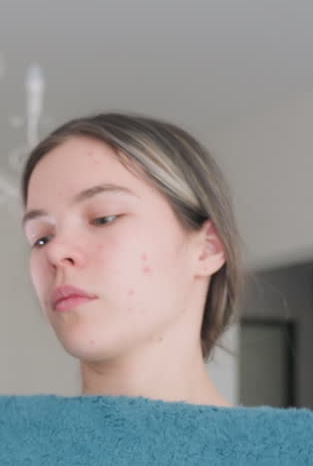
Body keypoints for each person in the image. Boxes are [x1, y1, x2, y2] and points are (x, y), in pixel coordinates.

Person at [20, 113, 245, 407]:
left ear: (208, 249)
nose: (54, 251)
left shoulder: (293, 452)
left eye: (104, 218)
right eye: (40, 238)